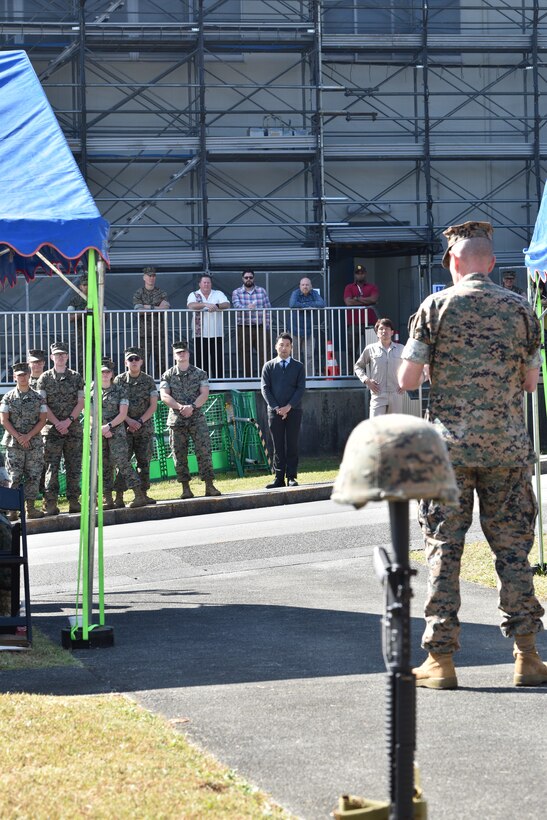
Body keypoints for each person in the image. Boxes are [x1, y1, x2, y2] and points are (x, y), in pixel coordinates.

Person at [398, 219, 547, 689]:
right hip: (507, 447)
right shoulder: (522, 310)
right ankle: (528, 657)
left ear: (455, 262)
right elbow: (530, 382)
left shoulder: (434, 306)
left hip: (449, 451)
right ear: (491, 261)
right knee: (513, 552)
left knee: (444, 548)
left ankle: (440, 662)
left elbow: (405, 379)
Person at [159, 340, 221, 498]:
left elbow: (204, 393)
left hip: (196, 418)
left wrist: (192, 407)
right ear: (174, 356)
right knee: (179, 455)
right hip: (177, 420)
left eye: (184, 352)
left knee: (204, 452)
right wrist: (180, 407)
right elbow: (164, 395)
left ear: (189, 353)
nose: (182, 354)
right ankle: (185, 488)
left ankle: (209, 485)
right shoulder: (167, 375)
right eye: (178, 352)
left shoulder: (200, 373)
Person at [37, 341, 85, 516]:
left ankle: (74, 501)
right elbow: (43, 405)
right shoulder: (44, 378)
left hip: (72, 428)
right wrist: (57, 422)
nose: (60, 357)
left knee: (74, 466)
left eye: (63, 354)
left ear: (68, 357)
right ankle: (50, 503)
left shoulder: (76, 377)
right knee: (52, 467)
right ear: (51, 357)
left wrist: (69, 421)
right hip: (51, 429)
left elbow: (81, 402)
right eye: (57, 355)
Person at [95, 359, 150, 510]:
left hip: (116, 432)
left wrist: (109, 426)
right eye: (102, 372)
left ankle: (139, 494)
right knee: (103, 465)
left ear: (112, 374)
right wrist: (100, 428)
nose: (104, 375)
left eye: (107, 372)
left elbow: (123, 413)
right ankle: (108, 499)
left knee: (122, 463)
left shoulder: (120, 390)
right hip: (98, 432)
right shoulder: (92, 390)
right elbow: (87, 411)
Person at [0, 362, 47, 520]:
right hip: (14, 444)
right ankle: (12, 510)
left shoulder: (38, 398)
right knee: (14, 476)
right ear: (14, 377)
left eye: (25, 374)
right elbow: (4, 420)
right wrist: (19, 437)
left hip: (33, 443)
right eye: (19, 375)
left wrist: (28, 436)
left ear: (29, 375)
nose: (22, 377)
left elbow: (42, 420)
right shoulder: (8, 397)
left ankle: (30, 508)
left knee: (33, 475)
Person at [113, 347, 158, 508]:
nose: (134, 362)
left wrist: (139, 422)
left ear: (141, 361)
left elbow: (153, 406)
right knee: (123, 463)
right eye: (130, 359)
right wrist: (129, 421)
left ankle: (143, 494)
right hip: (124, 428)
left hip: (144, 427)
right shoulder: (118, 381)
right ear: (125, 362)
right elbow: (115, 405)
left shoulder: (148, 380)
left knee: (144, 462)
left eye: (136, 359)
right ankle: (119, 496)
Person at [260, 332, 306, 489]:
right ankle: (278, 477)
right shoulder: (269, 366)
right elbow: (265, 389)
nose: (284, 348)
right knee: (278, 445)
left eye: (287, 345)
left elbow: (300, 389)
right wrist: (277, 408)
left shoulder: (298, 366)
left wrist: (289, 407)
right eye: (281, 345)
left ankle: (291, 476)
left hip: (294, 410)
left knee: (292, 444)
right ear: (276, 346)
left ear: (292, 348)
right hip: (275, 412)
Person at [354, 317, 405, 416]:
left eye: (387, 328)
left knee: (395, 428)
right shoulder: (370, 349)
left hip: (396, 394)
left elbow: (409, 367)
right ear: (377, 333)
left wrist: (405, 384)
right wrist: (366, 380)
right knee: (375, 427)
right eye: (381, 329)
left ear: (392, 332)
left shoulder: (401, 349)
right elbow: (358, 366)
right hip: (378, 393)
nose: (384, 331)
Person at [187, 274, 230, 379]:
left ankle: (219, 384)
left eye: (208, 282)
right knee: (201, 361)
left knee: (217, 360)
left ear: (211, 284)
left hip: (216, 333)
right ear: (200, 284)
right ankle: (203, 384)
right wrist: (206, 305)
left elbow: (227, 304)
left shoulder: (218, 293)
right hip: (199, 334)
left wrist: (216, 306)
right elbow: (191, 305)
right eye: (204, 282)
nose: (206, 284)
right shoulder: (194, 294)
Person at [231, 269, 272, 378]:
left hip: (260, 326)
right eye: (246, 277)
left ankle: (265, 378)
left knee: (265, 354)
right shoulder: (237, 292)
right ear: (242, 279)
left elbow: (267, 308)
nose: (248, 279)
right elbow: (236, 306)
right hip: (243, 327)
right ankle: (247, 379)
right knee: (244, 354)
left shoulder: (261, 291)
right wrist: (247, 308)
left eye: (250, 277)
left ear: (254, 278)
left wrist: (267, 326)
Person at [133, 266, 170, 379]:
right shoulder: (139, 293)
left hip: (159, 333)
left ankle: (162, 383)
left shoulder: (161, 292)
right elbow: (139, 311)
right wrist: (156, 308)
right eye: (149, 275)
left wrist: (147, 307)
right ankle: (143, 383)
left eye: (153, 275)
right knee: (142, 362)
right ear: (144, 277)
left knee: (162, 360)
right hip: (144, 334)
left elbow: (166, 307)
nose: (151, 278)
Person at [288, 277, 325, 376]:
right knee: (294, 356)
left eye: (307, 285)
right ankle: (294, 377)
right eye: (303, 285)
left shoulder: (314, 293)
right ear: (299, 286)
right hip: (294, 331)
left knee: (309, 355)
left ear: (311, 286)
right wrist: (308, 306)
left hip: (308, 331)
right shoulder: (295, 293)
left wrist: (303, 305)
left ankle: (309, 378)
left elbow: (322, 303)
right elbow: (292, 304)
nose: (305, 287)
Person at [344, 265, 379, 362]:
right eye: (358, 273)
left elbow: (374, 299)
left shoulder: (372, 286)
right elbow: (348, 302)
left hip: (370, 321)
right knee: (351, 348)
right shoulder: (349, 287)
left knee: (372, 347)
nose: (360, 275)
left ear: (365, 274)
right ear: (355, 275)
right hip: (354, 322)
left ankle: (372, 368)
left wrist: (357, 299)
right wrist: (367, 301)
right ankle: (354, 369)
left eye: (362, 273)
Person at [67, 273, 88, 372]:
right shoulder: (75, 300)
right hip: (80, 334)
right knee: (81, 358)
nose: (87, 287)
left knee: (95, 356)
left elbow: (105, 316)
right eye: (85, 285)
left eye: (89, 284)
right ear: (80, 286)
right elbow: (69, 318)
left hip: (94, 333)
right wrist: (83, 312)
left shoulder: (98, 299)